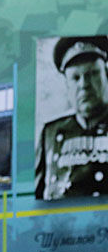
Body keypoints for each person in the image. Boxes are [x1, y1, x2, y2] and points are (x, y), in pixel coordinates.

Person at [35, 36, 108, 201]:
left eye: (92, 74)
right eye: (75, 78)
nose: (84, 85)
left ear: (106, 76)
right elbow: (37, 196)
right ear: (67, 86)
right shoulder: (50, 132)